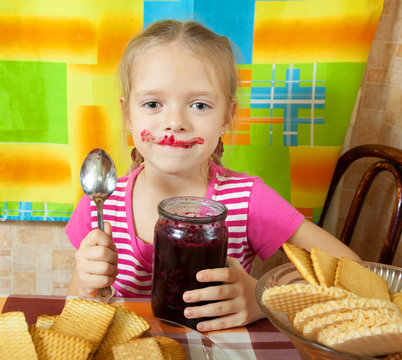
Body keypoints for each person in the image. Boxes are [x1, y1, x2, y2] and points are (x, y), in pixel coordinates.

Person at [66, 19, 360, 332]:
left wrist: (263, 298)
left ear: (226, 117)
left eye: (200, 105)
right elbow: (74, 311)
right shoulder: (100, 203)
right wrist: (85, 288)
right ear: (127, 115)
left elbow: (354, 272)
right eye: (152, 103)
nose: (175, 122)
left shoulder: (248, 199)